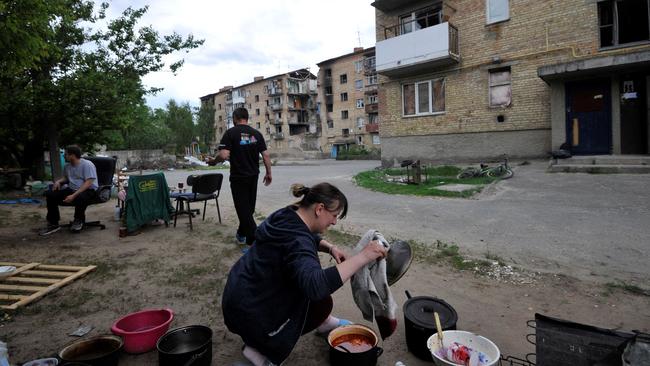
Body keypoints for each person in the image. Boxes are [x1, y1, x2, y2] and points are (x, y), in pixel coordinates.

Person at [221, 183, 387, 366]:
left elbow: (306, 234)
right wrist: (362, 257)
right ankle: (259, 351)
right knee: (315, 292)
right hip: (252, 311)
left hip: (237, 296)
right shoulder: (298, 242)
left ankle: (323, 324)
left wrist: (329, 247)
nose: (334, 222)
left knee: (321, 302)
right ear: (320, 209)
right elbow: (316, 286)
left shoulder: (288, 213)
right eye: (334, 215)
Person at [206, 107, 272, 246]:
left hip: (238, 177)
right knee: (248, 209)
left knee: (244, 210)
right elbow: (265, 155)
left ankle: (253, 243)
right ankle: (242, 234)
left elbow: (224, 155)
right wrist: (269, 172)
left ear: (235, 118)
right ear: (246, 118)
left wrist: (213, 161)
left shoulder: (231, 133)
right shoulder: (256, 134)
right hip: (253, 176)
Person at [39, 145, 98, 235]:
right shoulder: (67, 166)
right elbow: (67, 178)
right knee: (50, 194)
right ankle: (53, 223)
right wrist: (59, 181)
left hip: (88, 190)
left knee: (80, 197)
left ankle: (78, 220)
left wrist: (73, 195)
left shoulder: (87, 164)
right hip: (72, 189)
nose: (64, 156)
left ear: (72, 155)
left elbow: (89, 182)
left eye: (65, 154)